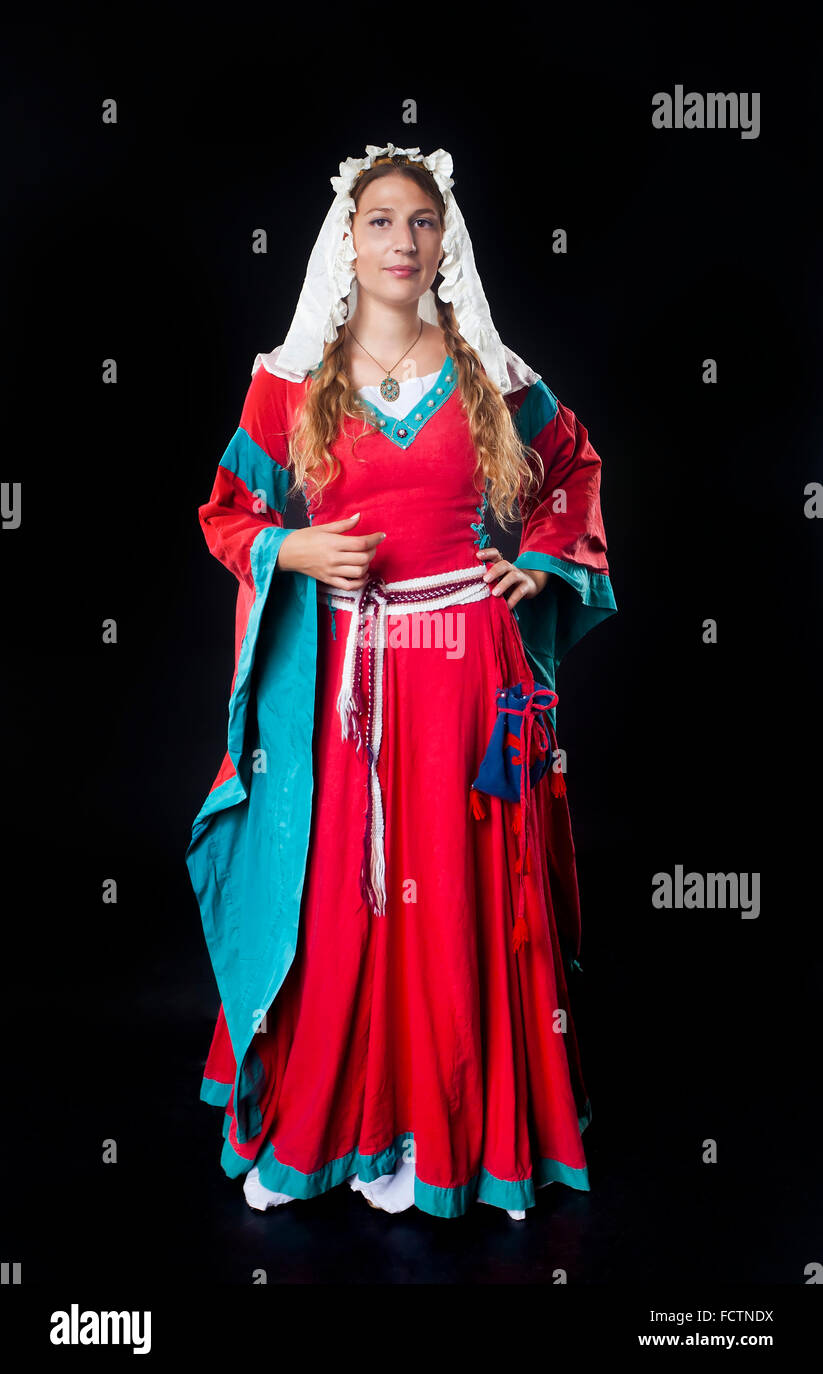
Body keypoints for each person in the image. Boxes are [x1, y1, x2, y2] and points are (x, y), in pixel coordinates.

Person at [185, 142, 618, 1221]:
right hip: (340, 689)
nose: (401, 240)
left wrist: (544, 561)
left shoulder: (490, 377)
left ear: (444, 243)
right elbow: (228, 516)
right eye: (379, 221)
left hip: (466, 677)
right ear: (348, 239)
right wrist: (292, 553)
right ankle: (340, 1124)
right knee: (343, 898)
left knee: (457, 895)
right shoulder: (291, 385)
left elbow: (572, 470)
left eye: (420, 222)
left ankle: (447, 1138)